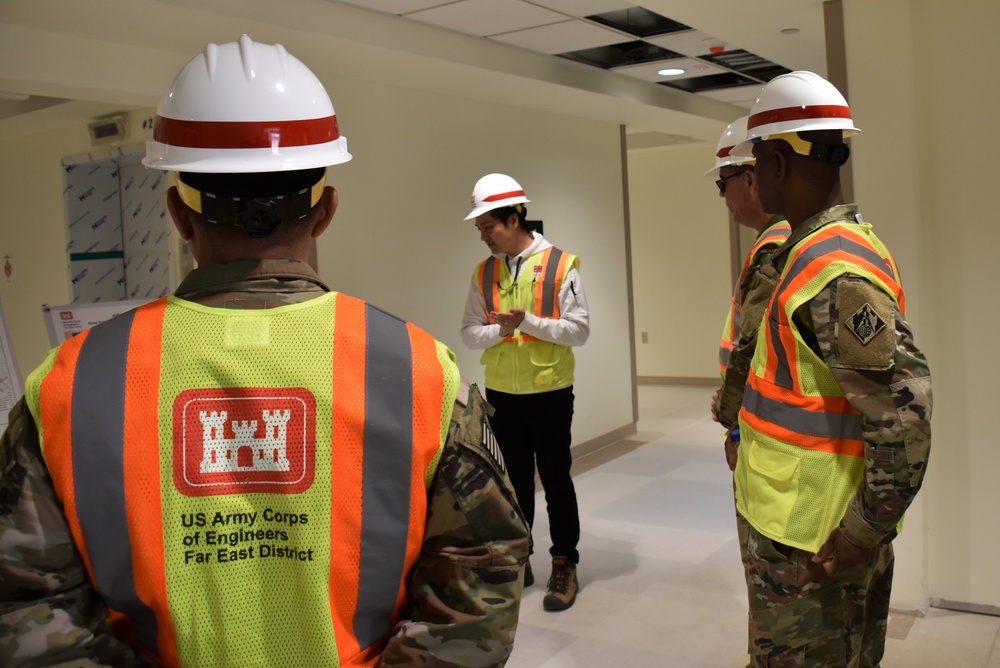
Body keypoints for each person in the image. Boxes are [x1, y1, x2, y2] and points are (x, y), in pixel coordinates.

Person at [0, 36, 528, 667]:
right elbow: (483, 575)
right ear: (326, 209)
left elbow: (26, 603)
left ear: (176, 213)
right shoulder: (419, 371)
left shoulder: (68, 384)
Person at [729, 71, 933, 666]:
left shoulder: (835, 270)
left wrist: (863, 532)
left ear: (780, 164)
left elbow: (905, 417)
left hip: (813, 541)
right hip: (791, 526)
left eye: (758, 161)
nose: (754, 176)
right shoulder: (808, 252)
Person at [460, 174, 589, 612]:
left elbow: (579, 331)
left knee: (555, 480)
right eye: (479, 229)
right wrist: (501, 329)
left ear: (514, 219)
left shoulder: (560, 264)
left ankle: (564, 563)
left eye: (488, 227)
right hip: (503, 393)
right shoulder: (484, 272)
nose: (484, 237)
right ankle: (520, 559)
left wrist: (527, 322)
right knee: (513, 485)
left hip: (550, 390)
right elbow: (469, 333)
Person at [705, 115, 791, 471]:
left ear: (751, 180)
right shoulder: (778, 240)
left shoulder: (775, 247)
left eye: (723, 184)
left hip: (764, 424)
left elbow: (753, 347)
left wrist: (729, 410)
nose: (723, 197)